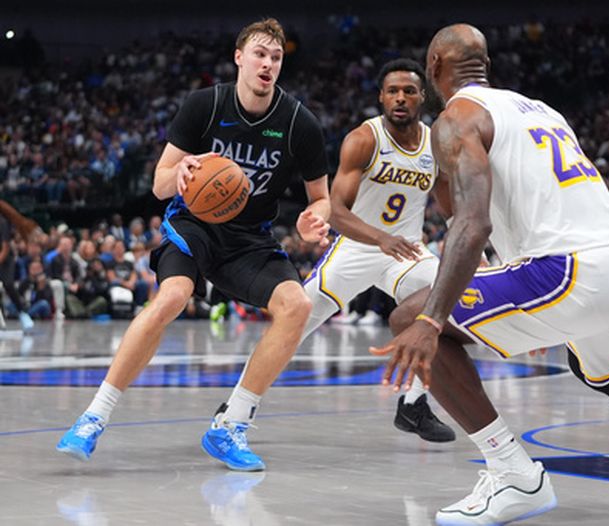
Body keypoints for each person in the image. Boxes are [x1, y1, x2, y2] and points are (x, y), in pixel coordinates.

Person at [371, 24, 609, 525]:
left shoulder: (456, 117)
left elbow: (473, 223)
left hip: (574, 272)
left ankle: (514, 475)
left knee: (412, 317)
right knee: (599, 369)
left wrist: (431, 321)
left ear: (433, 70)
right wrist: (519, 300)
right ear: (486, 68)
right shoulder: (540, 109)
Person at [56, 18, 332, 472]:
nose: (267, 63)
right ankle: (94, 417)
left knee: (297, 305)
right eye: (259, 54)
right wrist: (180, 175)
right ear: (239, 57)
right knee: (173, 296)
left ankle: (230, 425)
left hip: (249, 239)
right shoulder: (205, 105)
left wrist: (312, 220)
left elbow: (321, 198)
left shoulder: (299, 123)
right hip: (194, 225)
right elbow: (161, 184)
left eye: (276, 57)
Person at [299, 58, 453, 441]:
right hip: (357, 246)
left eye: (409, 91)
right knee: (292, 323)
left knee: (450, 300)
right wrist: (380, 238)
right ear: (381, 98)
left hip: (406, 250)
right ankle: (237, 407)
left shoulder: (435, 143)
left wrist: (468, 246)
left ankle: (414, 406)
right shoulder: (364, 139)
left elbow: (449, 203)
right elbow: (335, 210)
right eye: (393, 91)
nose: (400, 98)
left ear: (423, 97)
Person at [0, 214, 34, 331]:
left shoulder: (2, 222)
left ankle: (23, 313)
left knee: (8, 284)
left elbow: (5, 247)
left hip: (5, 259)